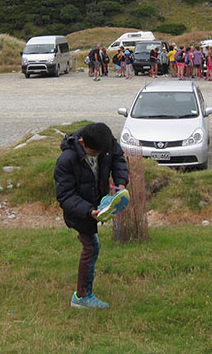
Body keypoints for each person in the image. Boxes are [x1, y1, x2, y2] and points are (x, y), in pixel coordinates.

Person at [54, 123, 128, 309]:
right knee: (91, 248)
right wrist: (88, 211)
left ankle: (83, 294)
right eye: (94, 153)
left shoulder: (106, 144)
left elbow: (118, 159)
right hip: (79, 210)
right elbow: (65, 196)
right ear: (82, 143)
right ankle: (81, 297)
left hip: (97, 202)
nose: (98, 156)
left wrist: (121, 183)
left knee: (91, 246)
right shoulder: (67, 159)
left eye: (101, 152)